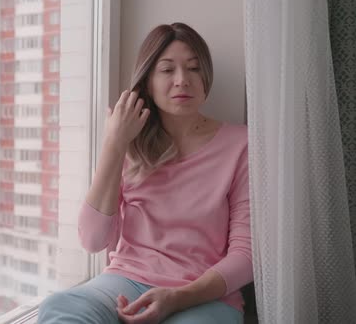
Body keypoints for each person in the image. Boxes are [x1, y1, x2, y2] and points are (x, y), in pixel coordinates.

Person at [37, 22, 252, 324]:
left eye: (193, 69)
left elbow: (246, 255)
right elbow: (93, 239)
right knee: (58, 308)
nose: (182, 80)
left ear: (206, 78)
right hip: (125, 282)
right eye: (167, 70)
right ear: (147, 81)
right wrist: (115, 142)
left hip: (203, 295)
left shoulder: (240, 144)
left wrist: (177, 298)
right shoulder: (129, 142)